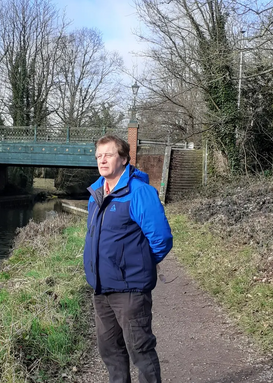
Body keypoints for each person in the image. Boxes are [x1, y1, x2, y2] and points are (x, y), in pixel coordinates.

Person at [84, 134, 173, 383]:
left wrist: (138, 264)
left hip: (130, 289)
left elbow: (162, 239)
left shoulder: (139, 192)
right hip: (101, 288)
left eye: (108, 155)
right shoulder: (96, 194)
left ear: (123, 158)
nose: (102, 161)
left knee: (141, 351)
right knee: (110, 351)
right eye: (99, 156)